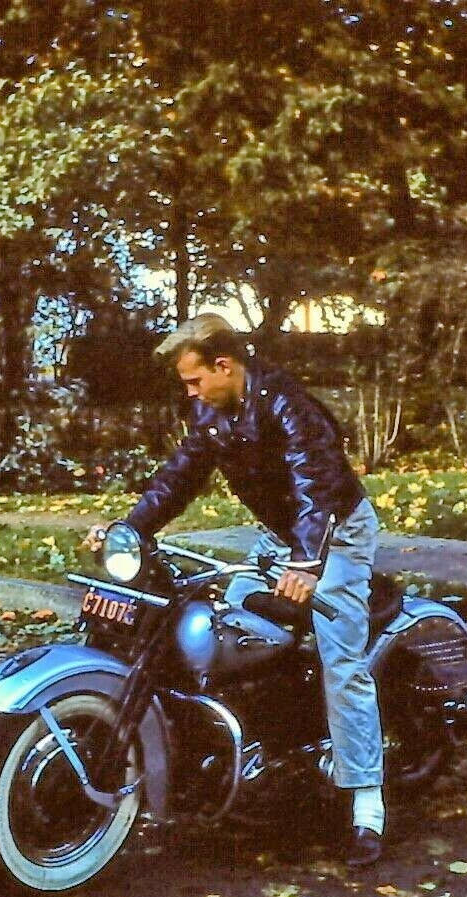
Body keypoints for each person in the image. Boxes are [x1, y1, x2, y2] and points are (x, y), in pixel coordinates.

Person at [84, 312, 386, 867]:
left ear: (225, 366)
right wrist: (129, 530)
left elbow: (314, 484)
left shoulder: (286, 405)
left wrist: (307, 562)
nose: (191, 391)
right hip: (282, 537)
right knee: (231, 619)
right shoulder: (215, 411)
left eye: (195, 380)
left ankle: (365, 800)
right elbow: (179, 476)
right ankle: (263, 732)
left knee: (341, 658)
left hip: (334, 535)